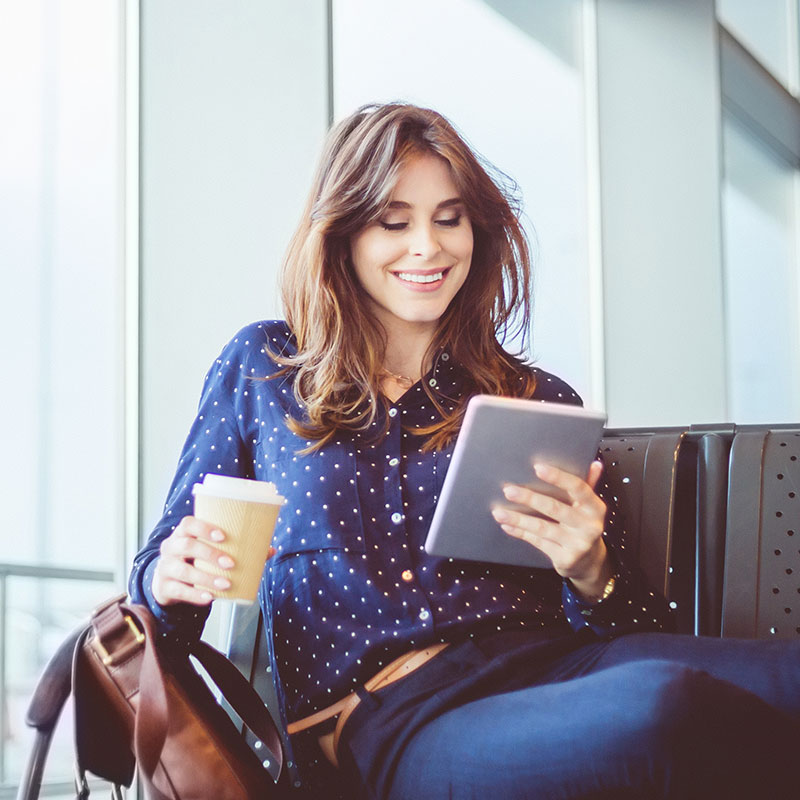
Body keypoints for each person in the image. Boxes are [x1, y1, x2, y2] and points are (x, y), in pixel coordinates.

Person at [129, 102, 800, 800]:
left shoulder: (534, 397)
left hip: (558, 667)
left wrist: (589, 564)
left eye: (449, 219)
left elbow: (625, 623)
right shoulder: (264, 367)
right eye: (395, 222)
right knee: (665, 705)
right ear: (344, 233)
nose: (428, 246)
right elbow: (158, 583)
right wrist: (168, 579)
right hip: (395, 720)